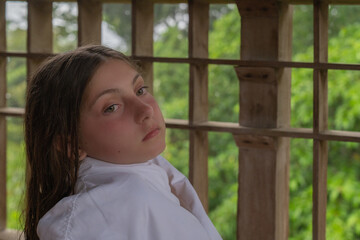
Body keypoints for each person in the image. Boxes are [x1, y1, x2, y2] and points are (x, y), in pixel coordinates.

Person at [24, 45, 222, 240]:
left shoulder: (149, 172)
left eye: (140, 90)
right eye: (111, 107)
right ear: (72, 145)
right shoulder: (108, 213)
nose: (146, 110)